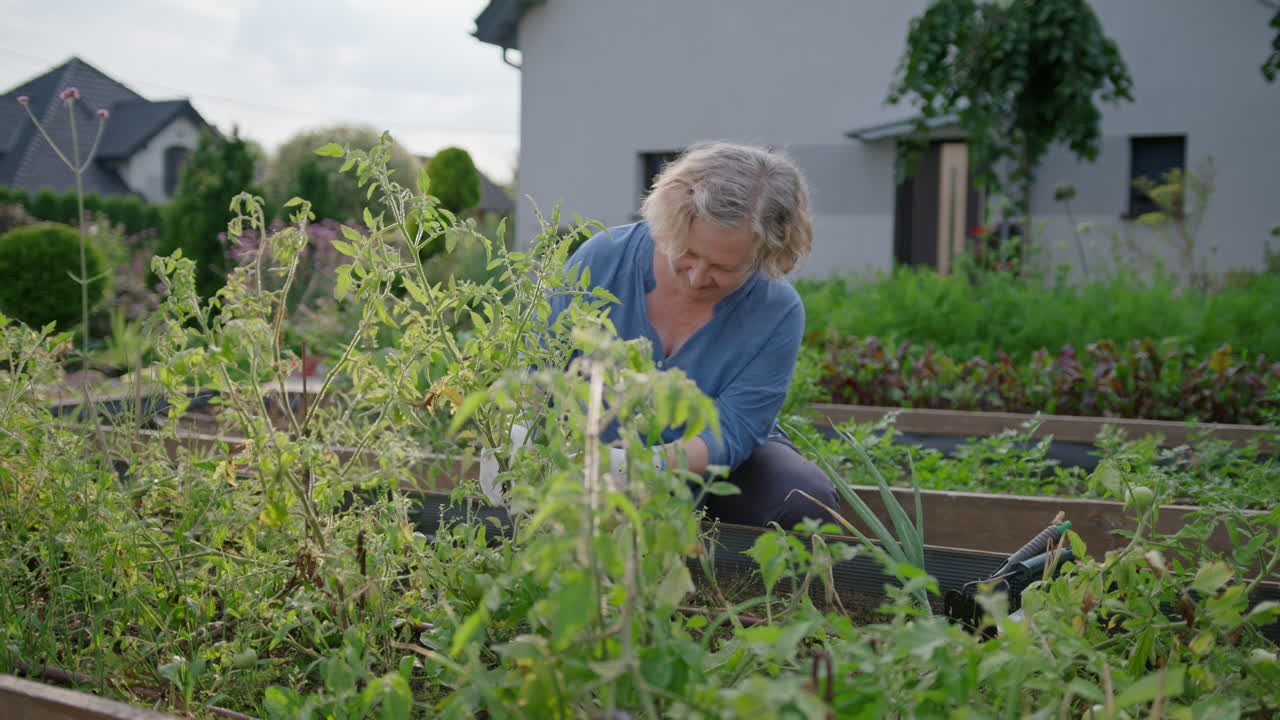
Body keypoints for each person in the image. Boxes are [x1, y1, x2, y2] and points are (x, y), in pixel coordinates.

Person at [550, 141, 838, 530]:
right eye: (688, 252)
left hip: (711, 472)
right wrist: (516, 444)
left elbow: (734, 430)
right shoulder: (602, 261)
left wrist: (641, 468)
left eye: (724, 267)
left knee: (802, 497)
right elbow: (539, 369)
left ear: (767, 257)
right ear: (671, 222)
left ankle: (733, 574)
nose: (699, 277)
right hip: (585, 458)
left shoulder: (776, 311)